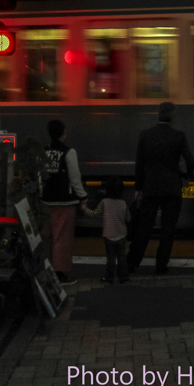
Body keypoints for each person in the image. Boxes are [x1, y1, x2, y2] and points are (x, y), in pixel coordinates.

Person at [127, 101, 194, 275]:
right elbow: (191, 160)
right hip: (172, 188)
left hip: (150, 187)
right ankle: (161, 266)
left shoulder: (145, 135)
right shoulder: (179, 136)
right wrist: (186, 176)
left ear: (158, 115)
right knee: (168, 229)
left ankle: (132, 262)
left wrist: (139, 187)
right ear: (172, 118)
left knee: (144, 227)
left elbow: (139, 164)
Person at [40, 119, 87, 286]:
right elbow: (75, 179)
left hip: (46, 201)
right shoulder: (69, 152)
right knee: (62, 238)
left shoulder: (44, 151)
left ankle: (46, 271)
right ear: (63, 134)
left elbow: (41, 176)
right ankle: (59, 274)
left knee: (47, 237)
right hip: (65, 202)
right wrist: (83, 197)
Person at [82, 176, 130, 284]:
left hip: (109, 235)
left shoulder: (104, 202)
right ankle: (124, 277)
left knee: (111, 258)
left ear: (107, 190)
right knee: (122, 257)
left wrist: (85, 209)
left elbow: (95, 214)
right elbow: (128, 218)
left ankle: (109, 277)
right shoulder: (124, 203)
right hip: (122, 234)